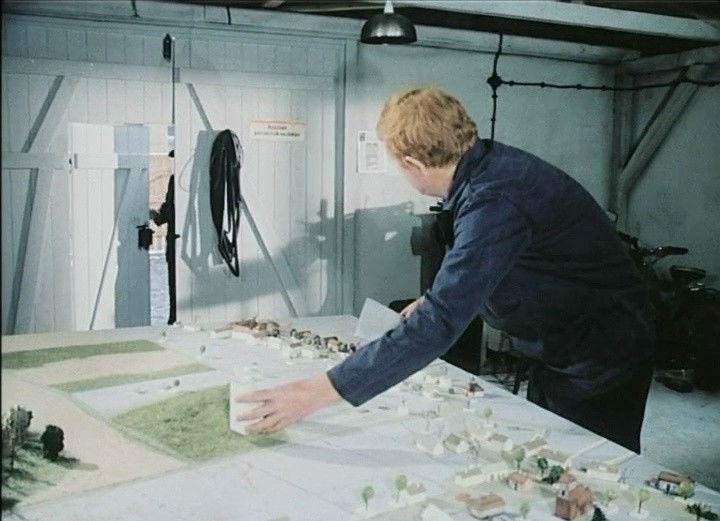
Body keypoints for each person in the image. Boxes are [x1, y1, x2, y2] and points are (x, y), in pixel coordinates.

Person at [236, 87, 655, 453]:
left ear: (413, 164)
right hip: (563, 344)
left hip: (601, 355)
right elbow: (496, 262)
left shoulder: (495, 199)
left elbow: (439, 325)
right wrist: (434, 298)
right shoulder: (489, 167)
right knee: (553, 457)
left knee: (593, 472)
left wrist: (316, 392)